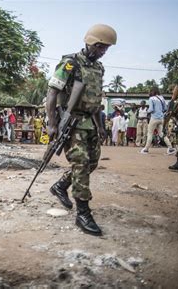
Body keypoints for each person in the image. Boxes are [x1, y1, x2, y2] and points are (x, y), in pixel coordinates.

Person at [46, 24, 116, 236]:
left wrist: (100, 125)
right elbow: (51, 93)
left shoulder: (99, 68)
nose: (103, 51)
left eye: (106, 48)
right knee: (81, 164)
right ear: (91, 44)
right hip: (73, 122)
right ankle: (83, 213)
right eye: (101, 47)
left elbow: (95, 99)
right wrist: (51, 123)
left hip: (91, 123)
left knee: (92, 162)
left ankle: (60, 186)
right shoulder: (70, 64)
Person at [140, 87, 176, 155]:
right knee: (162, 134)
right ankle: (170, 148)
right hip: (161, 118)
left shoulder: (151, 98)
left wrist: (147, 111)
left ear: (153, 91)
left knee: (150, 133)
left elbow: (151, 109)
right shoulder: (162, 98)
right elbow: (165, 108)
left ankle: (146, 149)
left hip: (154, 118)